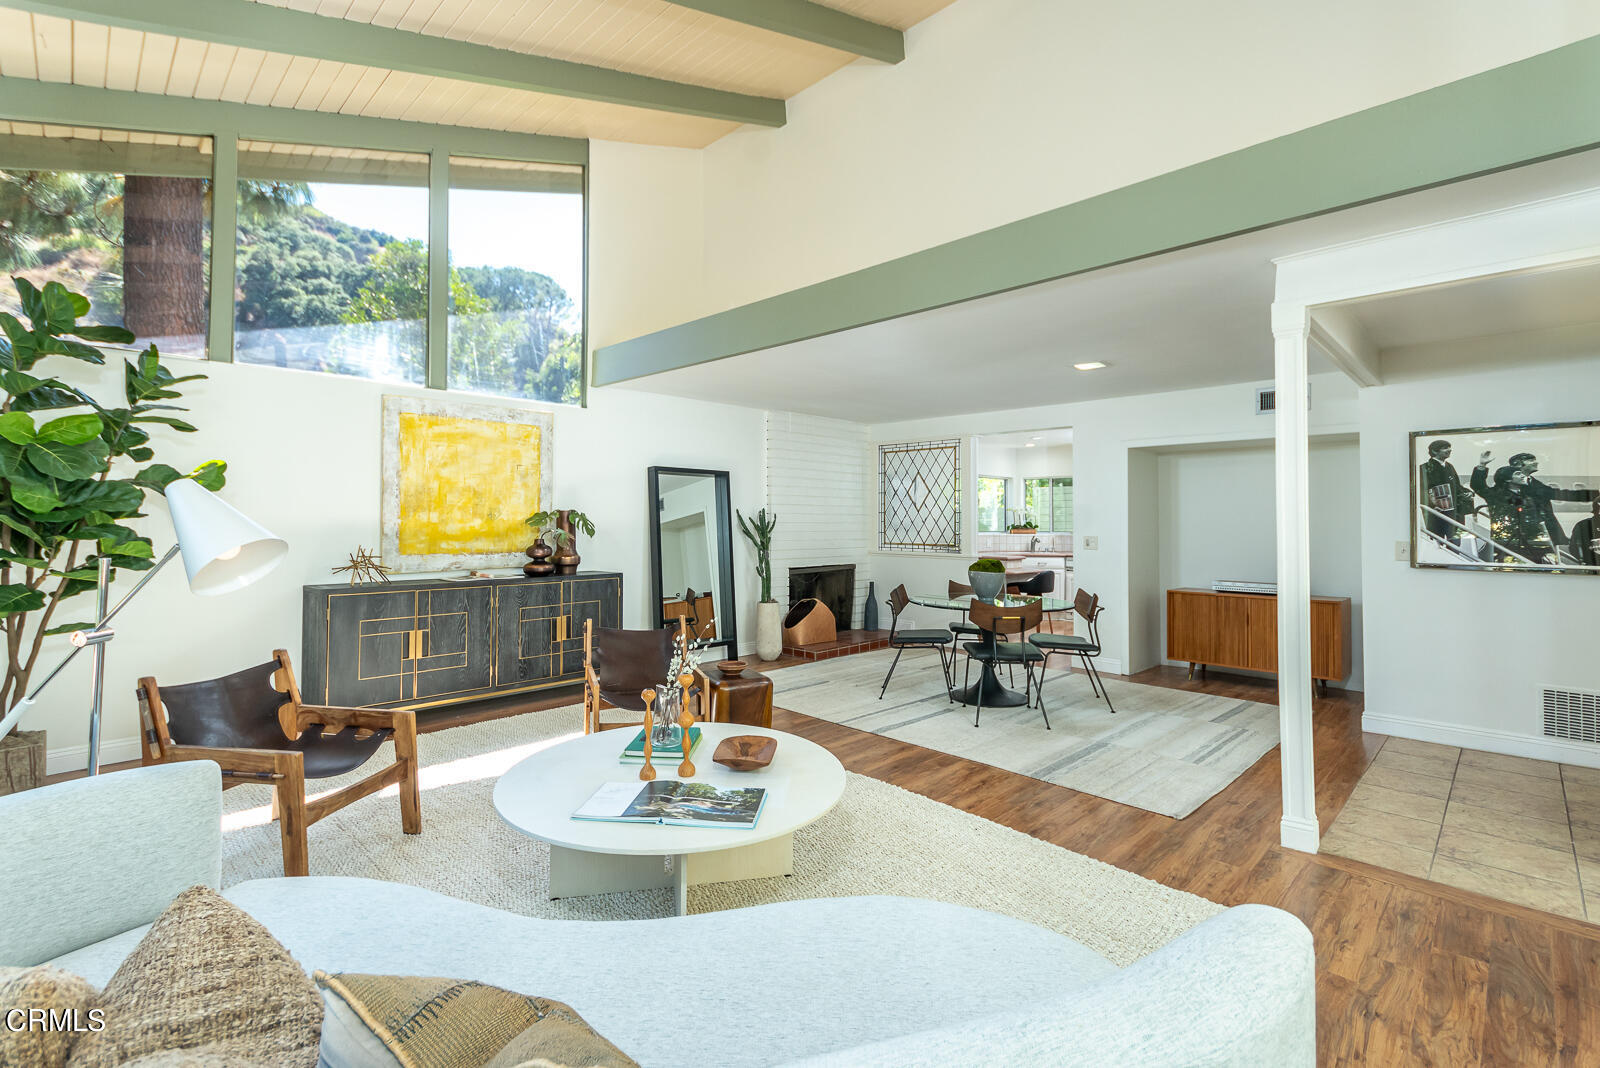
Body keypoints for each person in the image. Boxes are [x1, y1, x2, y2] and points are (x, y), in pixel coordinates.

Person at [1501, 452, 1600, 551]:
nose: (1536, 462)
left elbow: (1556, 493)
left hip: (1548, 529)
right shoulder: (1512, 486)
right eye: (1531, 460)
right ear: (1518, 464)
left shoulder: (1533, 482)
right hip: (1534, 533)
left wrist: (1594, 494)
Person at [1471, 452, 1554, 563]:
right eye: (1518, 474)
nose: (1523, 476)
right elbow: (1478, 485)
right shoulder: (1496, 496)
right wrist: (1482, 466)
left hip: (1533, 542)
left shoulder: (1528, 494)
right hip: (1507, 543)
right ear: (1508, 479)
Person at [1417, 439, 1471, 545]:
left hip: (1454, 513)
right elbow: (1421, 491)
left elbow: (1457, 486)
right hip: (1436, 514)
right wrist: (1431, 505)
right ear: (1434, 451)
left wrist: (1467, 492)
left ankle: (1456, 553)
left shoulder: (1449, 466)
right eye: (1445, 448)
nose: (1449, 450)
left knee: (1456, 543)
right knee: (1436, 543)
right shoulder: (1424, 468)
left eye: (1449, 447)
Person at [1570, 497, 1600, 567]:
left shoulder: (1582, 525)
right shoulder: (1583, 526)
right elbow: (1574, 548)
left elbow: (1573, 549)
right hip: (1592, 568)